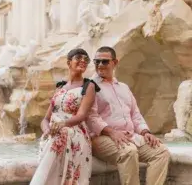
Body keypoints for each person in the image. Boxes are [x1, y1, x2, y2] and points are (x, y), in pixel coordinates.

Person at [87, 46, 170, 185]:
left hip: (129, 136)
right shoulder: (90, 86)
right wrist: (112, 132)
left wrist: (145, 132)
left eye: (105, 61)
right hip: (101, 138)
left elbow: (135, 114)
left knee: (161, 151)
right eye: (97, 61)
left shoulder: (123, 87)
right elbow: (91, 117)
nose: (100, 65)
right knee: (129, 152)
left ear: (115, 62)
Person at [30, 48, 100, 185]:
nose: (83, 61)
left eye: (86, 59)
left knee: (61, 134)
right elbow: (45, 119)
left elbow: (81, 116)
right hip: (54, 132)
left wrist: (62, 124)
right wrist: (46, 130)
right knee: (57, 135)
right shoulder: (60, 87)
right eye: (79, 57)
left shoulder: (89, 86)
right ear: (69, 63)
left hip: (75, 132)